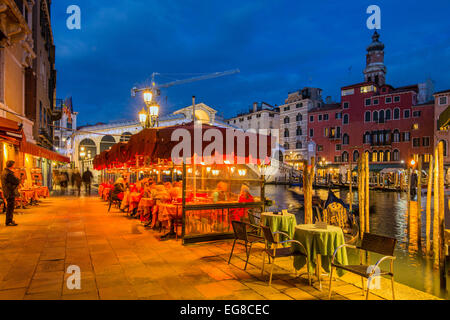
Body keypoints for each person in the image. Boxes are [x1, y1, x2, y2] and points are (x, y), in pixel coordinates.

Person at [1, 161, 20, 226]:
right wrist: (17, 178)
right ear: (12, 165)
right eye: (14, 165)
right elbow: (16, 181)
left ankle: (9, 220)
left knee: (10, 207)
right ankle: (9, 221)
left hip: (7, 191)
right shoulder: (8, 173)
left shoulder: (4, 172)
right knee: (10, 207)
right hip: (10, 192)